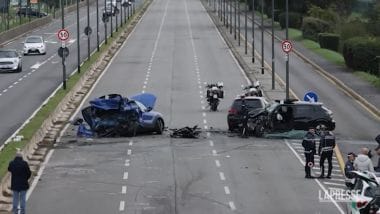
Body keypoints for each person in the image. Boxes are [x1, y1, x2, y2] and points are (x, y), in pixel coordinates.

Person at [8, 150, 31, 214]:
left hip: (15, 184)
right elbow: (29, 173)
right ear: (21, 156)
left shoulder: (12, 163)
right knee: (22, 199)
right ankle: (22, 211)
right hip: (23, 184)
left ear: (15, 156)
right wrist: (26, 179)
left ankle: (15, 211)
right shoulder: (24, 163)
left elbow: (9, 169)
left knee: (15, 198)